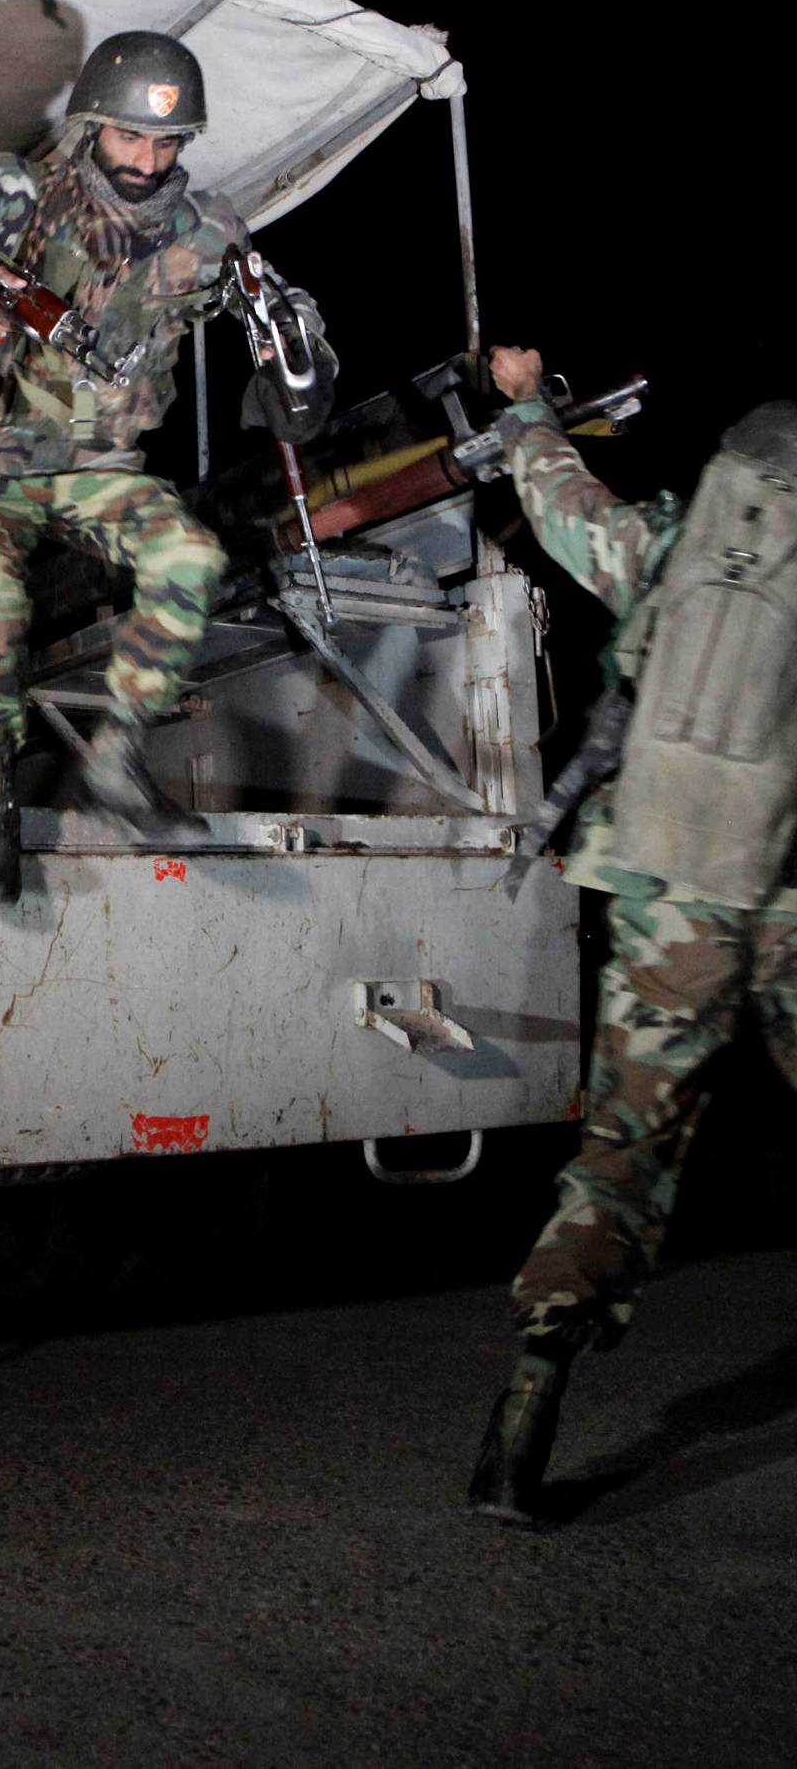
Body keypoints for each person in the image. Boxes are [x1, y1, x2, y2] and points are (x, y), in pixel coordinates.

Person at [0, 31, 330, 908]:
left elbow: (274, 296)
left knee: (188, 558)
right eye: (129, 139)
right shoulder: (12, 193)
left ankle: (118, 759)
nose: (146, 161)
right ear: (91, 128)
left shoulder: (208, 228)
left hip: (98, 461)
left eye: (166, 142)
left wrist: (300, 337)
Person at [468, 345, 797, 1522]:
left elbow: (563, 507)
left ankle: (524, 1414)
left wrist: (522, 407)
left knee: (620, 1157)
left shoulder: (677, 550)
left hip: (667, 901)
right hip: (784, 896)